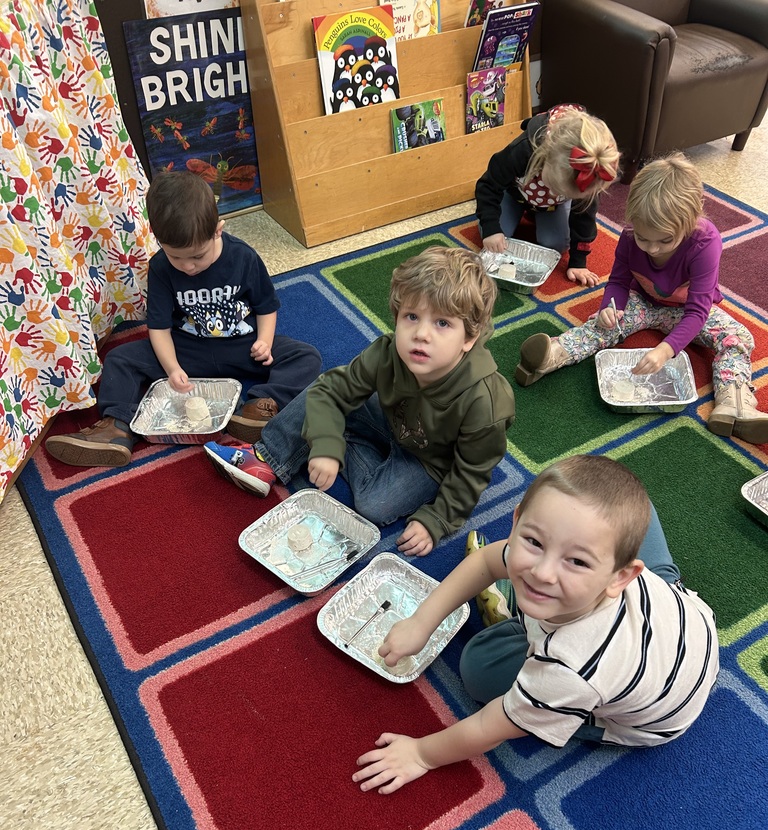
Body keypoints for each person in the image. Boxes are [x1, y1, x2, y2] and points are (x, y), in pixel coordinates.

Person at [352, 455, 719, 794]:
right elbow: (488, 561)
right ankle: (543, 603)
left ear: (620, 577)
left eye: (576, 561)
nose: (542, 572)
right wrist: (421, 621)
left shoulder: (571, 670)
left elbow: (490, 726)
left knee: (479, 668)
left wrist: (421, 755)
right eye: (533, 541)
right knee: (614, 508)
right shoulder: (580, 558)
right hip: (683, 615)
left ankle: (521, 615)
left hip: (651, 715)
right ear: (516, 522)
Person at [204, 246, 516, 556]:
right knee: (323, 391)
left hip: (430, 462)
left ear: (469, 338)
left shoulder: (484, 401)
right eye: (411, 316)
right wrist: (325, 445)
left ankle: (341, 436)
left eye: (442, 323)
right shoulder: (389, 352)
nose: (421, 334)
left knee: (373, 506)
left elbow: (471, 473)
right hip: (393, 418)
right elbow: (332, 391)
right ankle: (268, 457)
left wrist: (437, 520)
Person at [45, 170, 322, 467]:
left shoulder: (244, 257)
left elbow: (266, 305)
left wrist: (265, 342)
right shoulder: (162, 267)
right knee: (120, 358)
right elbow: (159, 328)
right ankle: (117, 427)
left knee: (306, 356)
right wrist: (172, 367)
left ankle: (256, 407)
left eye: (198, 256)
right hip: (186, 350)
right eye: (177, 257)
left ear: (218, 229)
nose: (188, 267)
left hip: (242, 346)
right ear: (157, 238)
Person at [515, 152, 768, 444]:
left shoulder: (706, 242)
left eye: (664, 240)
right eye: (643, 238)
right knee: (603, 324)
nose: (652, 249)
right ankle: (551, 356)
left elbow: (698, 312)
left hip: (688, 311)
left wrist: (666, 350)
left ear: (691, 220)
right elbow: (619, 282)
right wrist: (611, 307)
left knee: (737, 337)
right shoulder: (630, 235)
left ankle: (734, 404)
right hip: (644, 302)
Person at [475, 104, 620, 288]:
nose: (557, 192)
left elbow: (584, 217)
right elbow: (488, 185)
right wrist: (491, 228)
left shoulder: (589, 175)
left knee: (554, 245)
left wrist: (578, 262)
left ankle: (552, 209)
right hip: (513, 194)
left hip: (551, 207)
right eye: (556, 187)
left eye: (566, 193)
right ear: (546, 159)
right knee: (493, 237)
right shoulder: (523, 150)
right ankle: (515, 216)